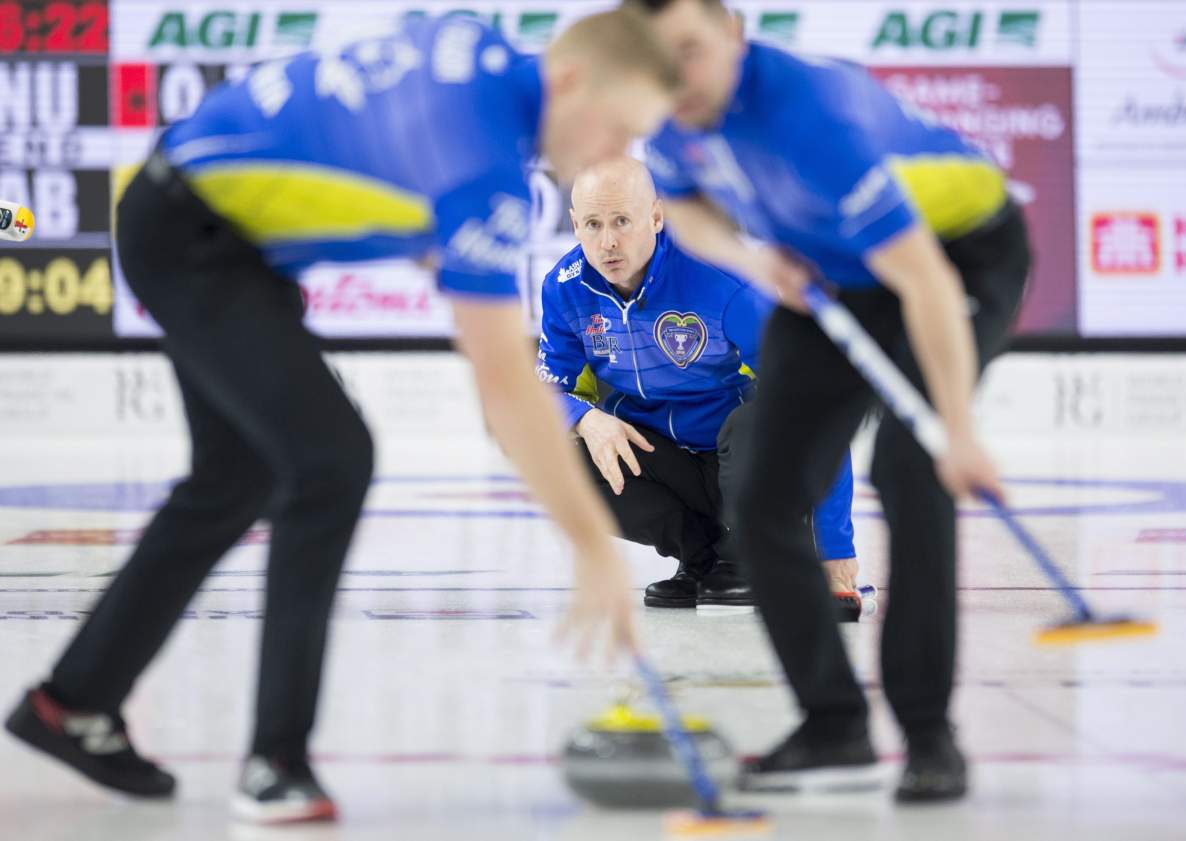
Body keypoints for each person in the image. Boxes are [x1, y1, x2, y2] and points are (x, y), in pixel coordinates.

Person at [4, 10, 680, 824]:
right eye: (616, 127)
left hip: (205, 223)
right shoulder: (485, 168)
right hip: (194, 234)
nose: (611, 154)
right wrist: (587, 545)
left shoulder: (479, 48)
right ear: (569, 81)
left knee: (234, 476)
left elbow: (383, 119)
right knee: (331, 459)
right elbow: (505, 380)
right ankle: (275, 760)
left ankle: (72, 700)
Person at [628, 0, 1031, 802]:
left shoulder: (815, 119)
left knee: (913, 471)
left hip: (954, 253)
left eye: (692, 52)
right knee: (766, 491)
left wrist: (957, 431)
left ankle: (928, 734)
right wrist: (756, 258)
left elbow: (922, 280)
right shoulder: (671, 117)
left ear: (736, 33)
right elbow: (693, 209)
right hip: (831, 266)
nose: (678, 78)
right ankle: (831, 723)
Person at [538, 156, 865, 618]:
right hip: (666, 463)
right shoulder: (564, 288)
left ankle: (752, 553)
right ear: (573, 224)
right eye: (592, 224)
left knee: (762, 416)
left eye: (622, 222)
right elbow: (543, 394)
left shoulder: (721, 278)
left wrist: (835, 548)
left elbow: (815, 404)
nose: (607, 241)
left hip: (744, 464)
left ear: (656, 215)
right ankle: (706, 559)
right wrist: (586, 418)